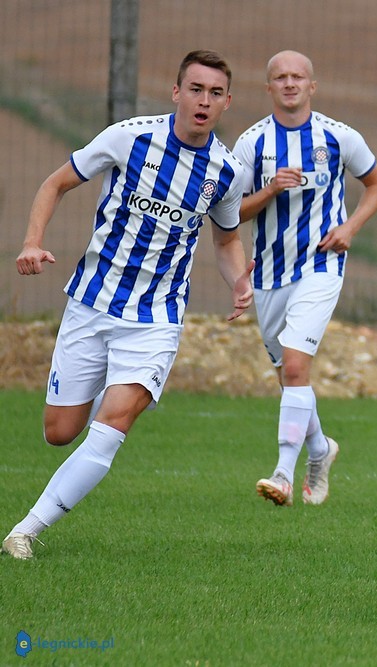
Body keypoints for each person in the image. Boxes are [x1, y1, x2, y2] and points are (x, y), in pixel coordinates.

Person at [3, 50, 252, 560]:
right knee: (59, 432)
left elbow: (226, 240)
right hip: (92, 301)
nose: (204, 101)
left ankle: (24, 531)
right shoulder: (129, 137)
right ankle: (104, 389)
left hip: (156, 317)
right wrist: (32, 242)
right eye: (196, 89)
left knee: (113, 425)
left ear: (227, 102)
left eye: (215, 93)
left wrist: (238, 282)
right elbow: (56, 183)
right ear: (177, 92)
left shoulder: (227, 172)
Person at [233, 50, 377, 507]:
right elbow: (231, 212)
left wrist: (349, 228)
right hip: (269, 272)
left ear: (312, 86)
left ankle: (283, 473)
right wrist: (270, 189)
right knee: (289, 377)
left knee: (297, 366)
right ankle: (320, 449)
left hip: (321, 265)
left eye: (297, 76)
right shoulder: (252, 143)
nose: (290, 83)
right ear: (268, 88)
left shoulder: (339, 136)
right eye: (280, 77)